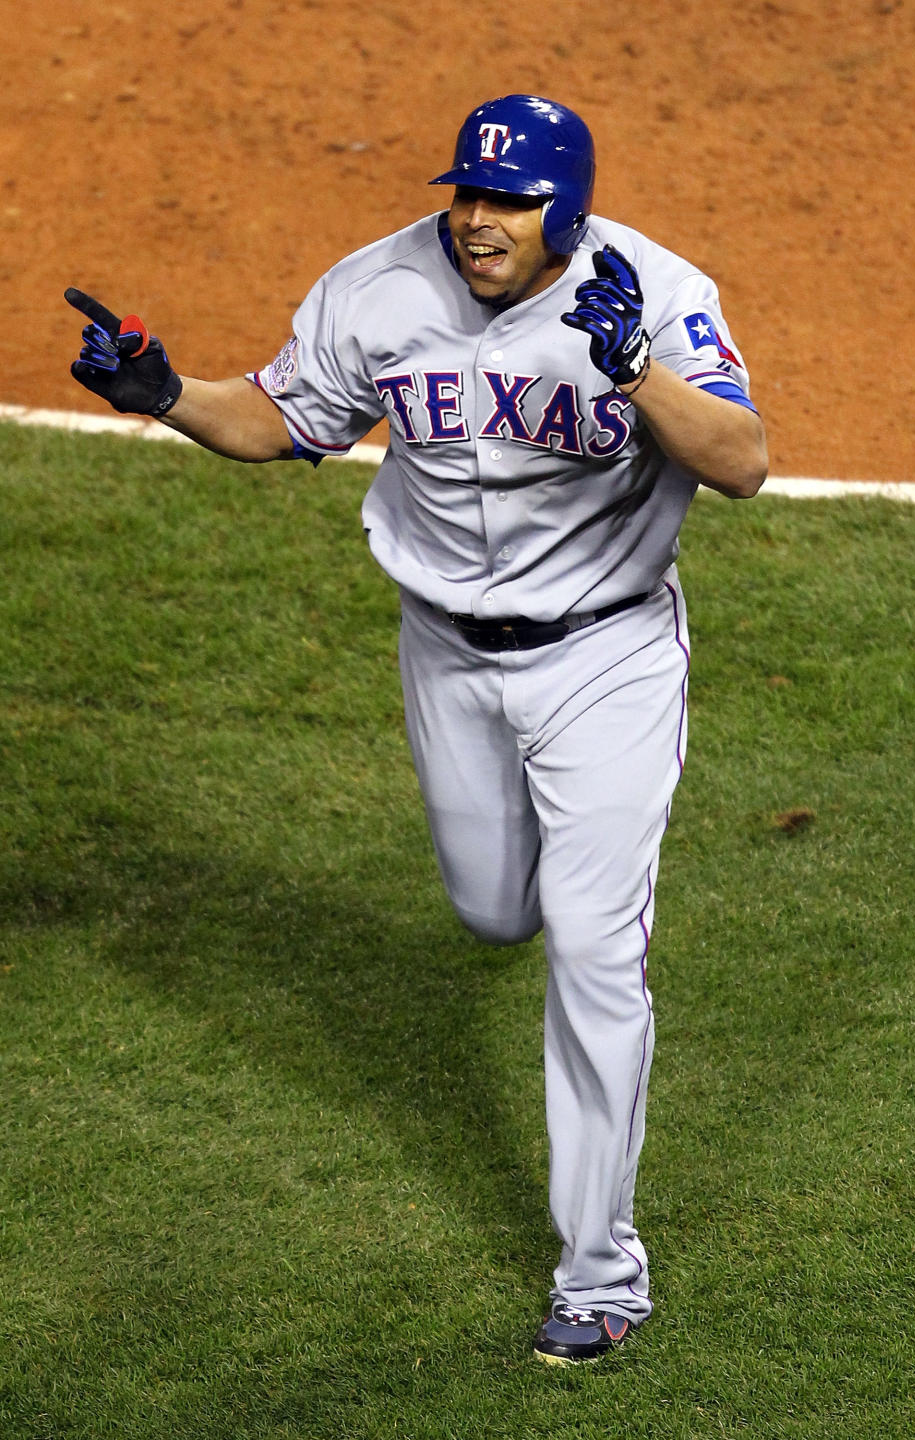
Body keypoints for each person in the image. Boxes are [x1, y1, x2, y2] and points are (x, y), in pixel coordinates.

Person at [65, 93, 767, 1366]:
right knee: (499, 911)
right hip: (444, 650)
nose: (476, 221)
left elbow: (742, 458)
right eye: (465, 193)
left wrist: (634, 371)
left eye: (506, 201)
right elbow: (282, 419)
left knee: (596, 957)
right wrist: (165, 394)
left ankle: (600, 1275)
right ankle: (526, 909)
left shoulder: (653, 291)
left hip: (605, 659)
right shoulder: (376, 288)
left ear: (570, 206)